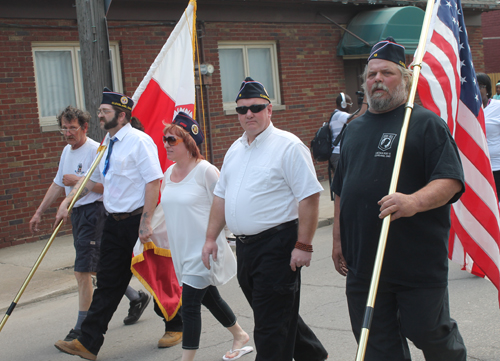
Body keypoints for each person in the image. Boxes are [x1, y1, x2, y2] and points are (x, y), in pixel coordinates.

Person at [331, 37, 467, 360]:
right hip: (365, 263)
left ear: (406, 78)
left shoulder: (424, 125)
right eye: (371, 74)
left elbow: (450, 180)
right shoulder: (353, 129)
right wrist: (338, 239)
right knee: (376, 344)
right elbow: (341, 188)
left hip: (415, 264)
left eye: (386, 73)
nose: (376, 79)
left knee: (427, 331)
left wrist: (412, 202)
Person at [202, 77, 328, 361]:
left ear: (269, 110)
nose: (248, 114)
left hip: (278, 246)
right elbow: (221, 197)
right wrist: (211, 238)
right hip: (246, 248)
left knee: (270, 329)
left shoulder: (288, 146)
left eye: (256, 107)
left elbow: (309, 197)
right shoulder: (235, 149)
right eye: (242, 109)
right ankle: (312, 355)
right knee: (276, 313)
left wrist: (304, 245)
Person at [52, 88, 181, 360]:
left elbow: (153, 181)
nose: (99, 115)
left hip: (137, 221)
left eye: (104, 112)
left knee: (154, 276)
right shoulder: (106, 145)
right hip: (112, 222)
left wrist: (146, 222)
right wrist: (67, 203)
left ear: (122, 116)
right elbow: (90, 181)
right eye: (99, 111)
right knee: (109, 282)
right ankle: (88, 342)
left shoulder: (139, 141)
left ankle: (176, 323)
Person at [29, 106, 149, 344]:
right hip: (78, 215)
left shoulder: (97, 149)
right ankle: (136, 297)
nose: (68, 133)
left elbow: (106, 186)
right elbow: (56, 184)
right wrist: (40, 211)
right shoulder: (66, 151)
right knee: (98, 267)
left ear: (84, 127)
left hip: (96, 213)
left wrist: (77, 183)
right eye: (64, 128)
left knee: (82, 271)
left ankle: (81, 327)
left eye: (72, 128)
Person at [161, 112, 253, 361]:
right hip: (181, 251)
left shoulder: (206, 172)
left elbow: (225, 204)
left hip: (204, 250)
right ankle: (240, 334)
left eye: (172, 140)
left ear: (189, 143)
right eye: (165, 139)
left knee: (189, 305)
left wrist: (227, 237)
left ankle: (186, 359)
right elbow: (167, 213)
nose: (166, 144)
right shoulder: (167, 176)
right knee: (209, 298)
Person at [478, 73, 500, 200]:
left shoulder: (497, 107)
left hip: (497, 166)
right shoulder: (467, 109)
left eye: (480, 86)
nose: (476, 89)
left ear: (487, 89)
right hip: (477, 167)